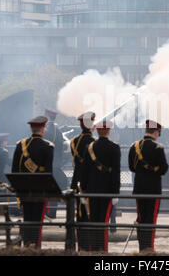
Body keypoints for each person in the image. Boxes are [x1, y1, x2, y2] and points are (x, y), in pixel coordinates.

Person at [11, 116, 54, 248]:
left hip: (24, 189)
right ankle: (35, 246)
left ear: (32, 128)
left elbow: (14, 170)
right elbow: (48, 173)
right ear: (42, 129)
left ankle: (27, 244)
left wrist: (18, 189)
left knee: (27, 219)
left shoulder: (20, 145)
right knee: (37, 221)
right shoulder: (48, 146)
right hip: (40, 190)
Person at [80, 119, 121, 252]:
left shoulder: (90, 147)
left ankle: (92, 250)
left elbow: (84, 171)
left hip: (91, 191)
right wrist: (115, 193)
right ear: (109, 130)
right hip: (107, 191)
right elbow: (116, 172)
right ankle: (102, 250)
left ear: (97, 131)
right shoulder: (114, 148)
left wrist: (84, 191)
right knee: (103, 222)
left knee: (93, 221)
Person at [129, 119, 169, 253]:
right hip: (153, 189)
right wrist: (154, 170)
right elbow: (164, 169)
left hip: (139, 188)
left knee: (141, 218)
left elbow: (131, 167)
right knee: (150, 219)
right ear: (156, 132)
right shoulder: (158, 148)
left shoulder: (134, 146)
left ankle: (142, 247)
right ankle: (149, 248)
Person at [70, 111, 96, 252]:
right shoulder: (93, 142)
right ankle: (88, 246)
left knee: (79, 216)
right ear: (91, 124)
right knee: (89, 216)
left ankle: (81, 245)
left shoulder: (73, 141)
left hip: (76, 181)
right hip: (89, 183)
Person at [43, 108, 67, 219]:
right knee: (54, 190)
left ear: (47, 117)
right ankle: (52, 213)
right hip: (56, 164)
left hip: (48, 164)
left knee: (47, 190)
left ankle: (47, 213)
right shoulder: (59, 131)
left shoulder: (45, 131)